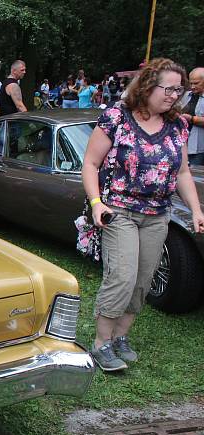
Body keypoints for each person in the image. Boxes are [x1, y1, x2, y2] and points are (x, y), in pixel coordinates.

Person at [81, 58, 204, 372]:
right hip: (119, 210)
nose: (175, 95)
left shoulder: (178, 124)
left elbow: (183, 172)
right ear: (148, 85)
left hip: (157, 215)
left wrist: (196, 209)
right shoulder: (116, 117)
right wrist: (97, 203)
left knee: (142, 281)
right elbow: (91, 164)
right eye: (169, 88)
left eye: (180, 89)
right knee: (122, 276)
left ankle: (121, 337)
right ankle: (101, 344)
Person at [181, 67, 204, 166]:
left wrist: (192, 119)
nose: (192, 86)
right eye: (191, 83)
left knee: (195, 175)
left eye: (196, 83)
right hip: (183, 143)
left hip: (199, 147)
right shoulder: (186, 95)